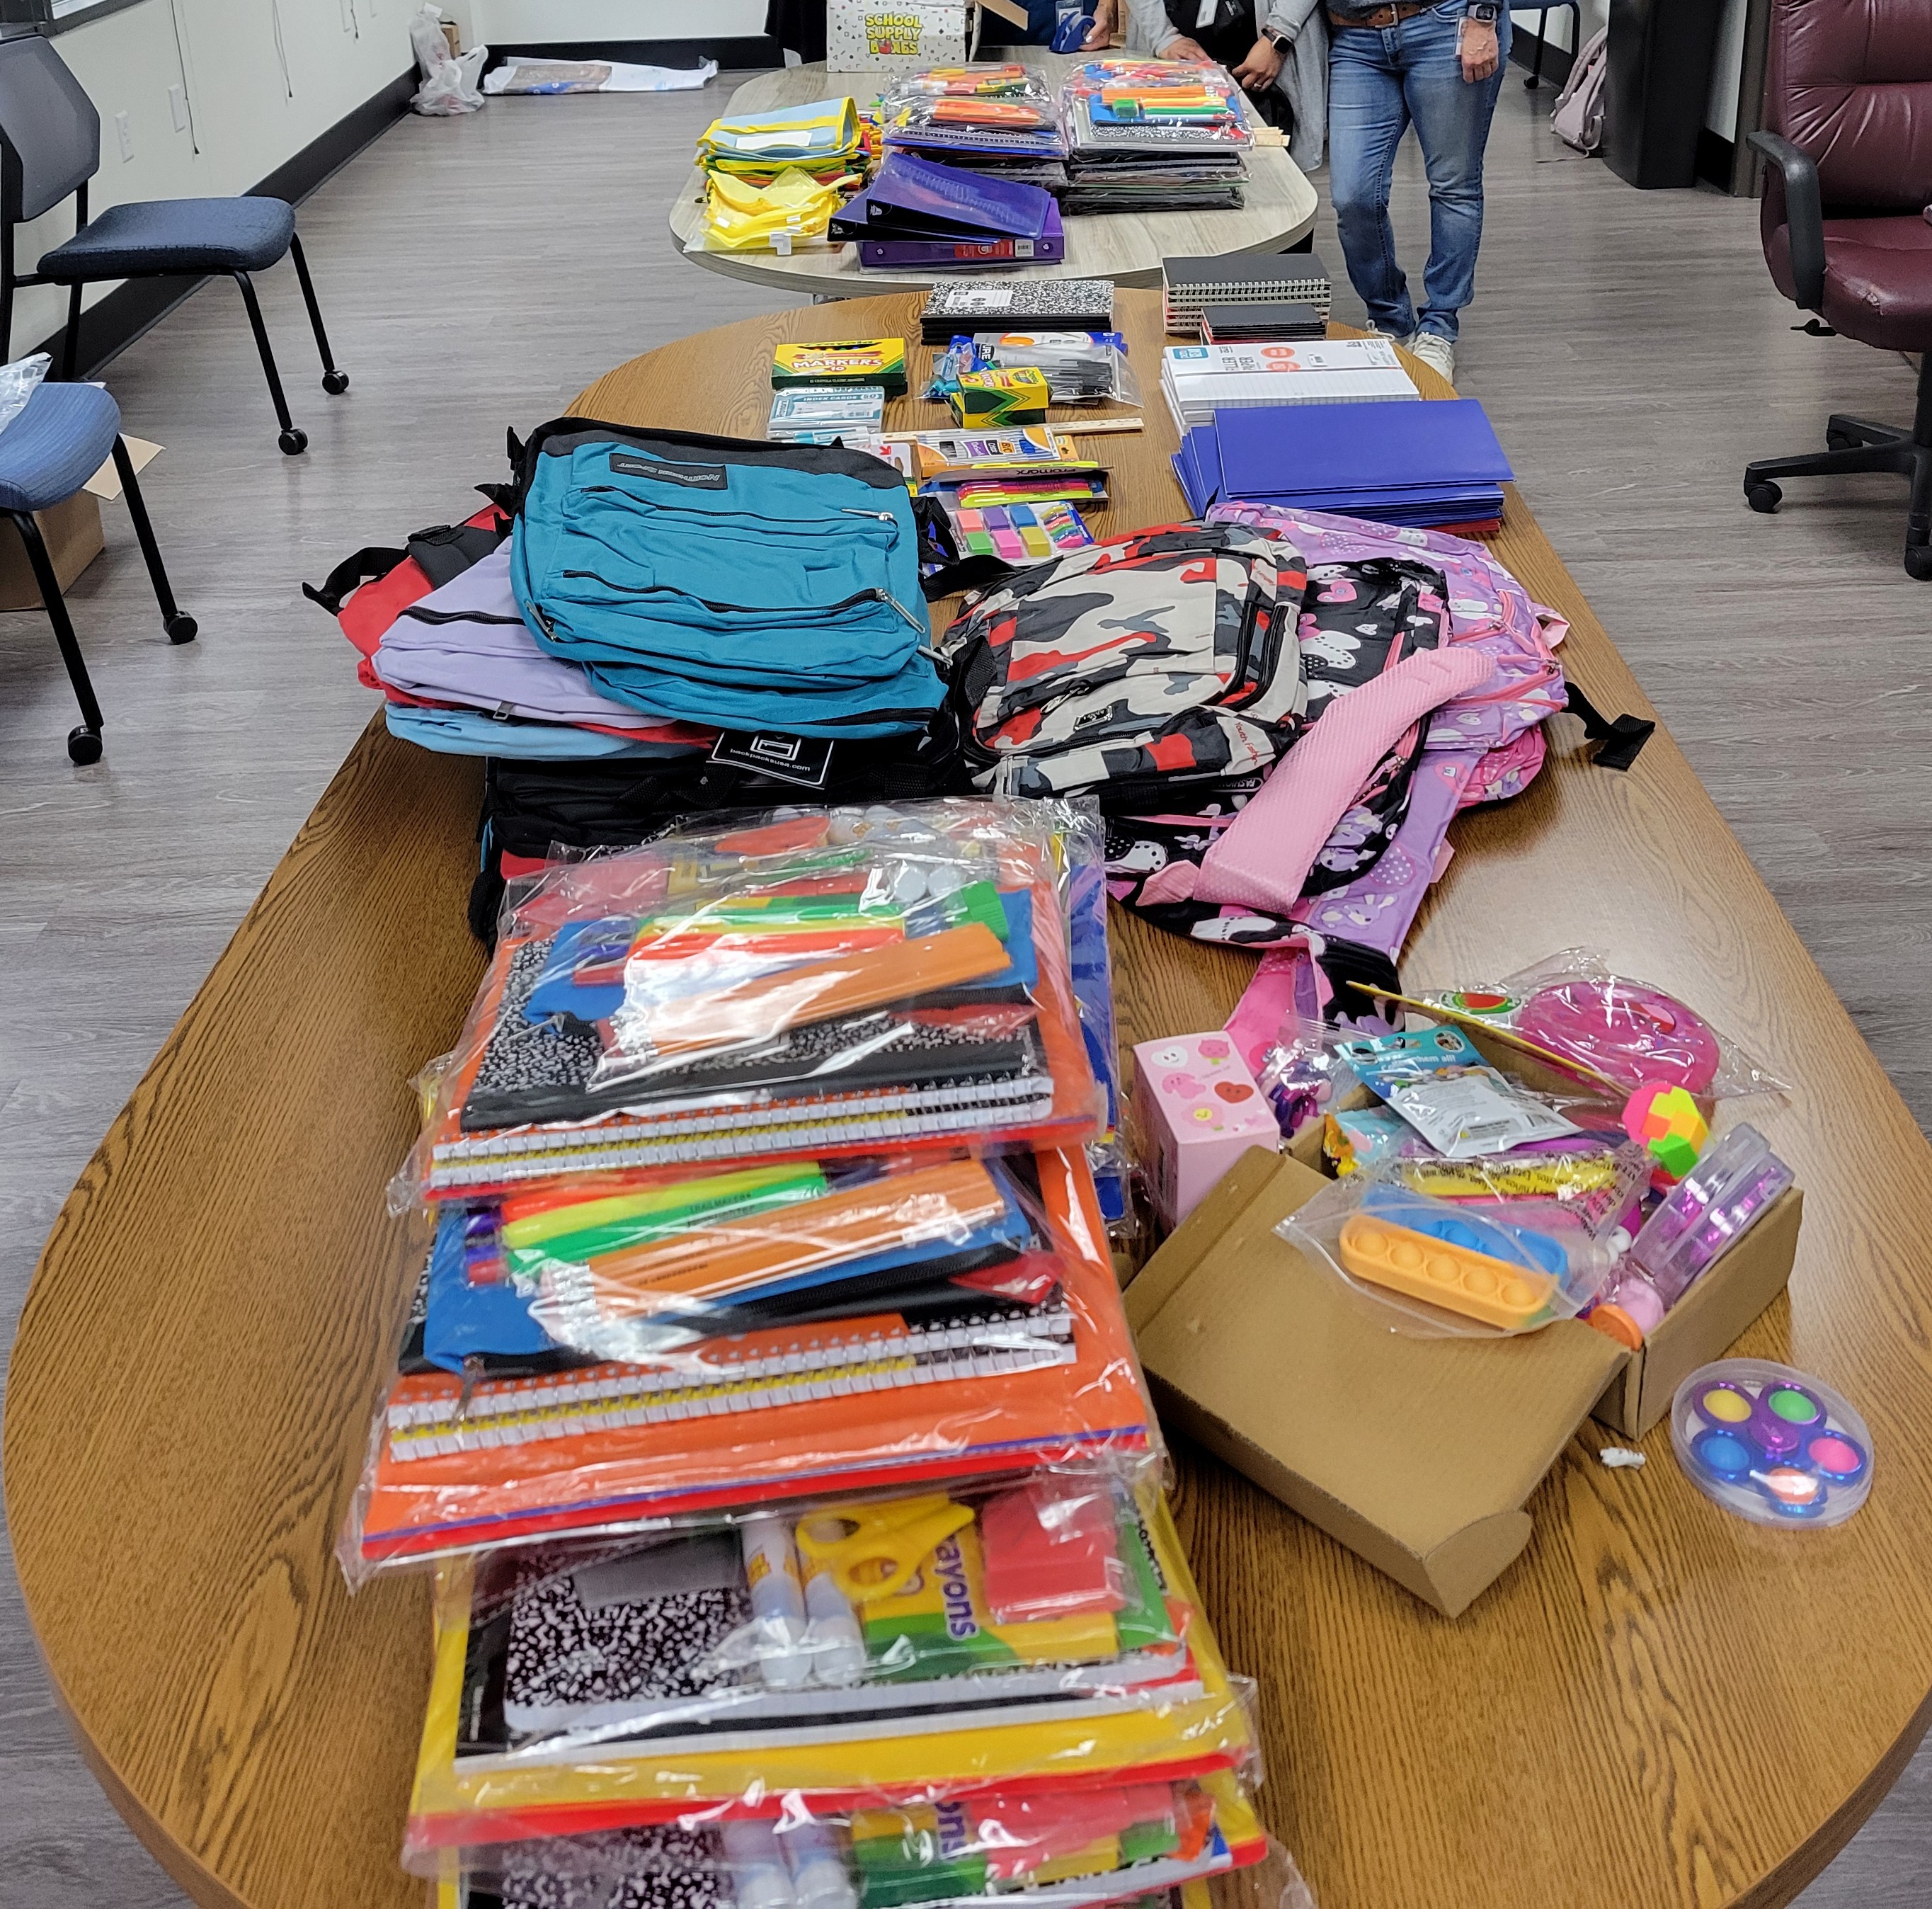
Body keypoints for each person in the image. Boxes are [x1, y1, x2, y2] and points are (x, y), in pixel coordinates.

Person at [1323, 0, 1509, 384]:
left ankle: (1439, 326)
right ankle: (1390, 318)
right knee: (1352, 196)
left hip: (1444, 24)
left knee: (1453, 187)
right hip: (1354, 38)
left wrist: (1483, 16)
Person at [1119, 0, 1327, 170]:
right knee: (1166, 179)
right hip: (1171, 58)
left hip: (1267, 53)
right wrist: (1162, 37)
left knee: (1279, 191)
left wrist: (1278, 37)